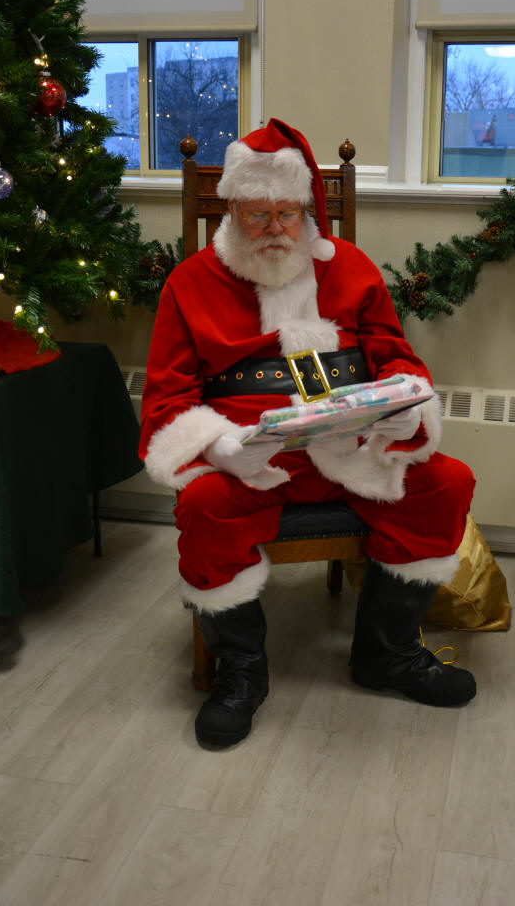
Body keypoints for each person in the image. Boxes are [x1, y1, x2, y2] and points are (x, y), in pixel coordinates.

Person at [139, 118, 477, 749]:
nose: (275, 228)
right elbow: (167, 400)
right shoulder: (191, 282)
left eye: (288, 214)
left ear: (307, 211)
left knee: (447, 483)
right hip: (252, 455)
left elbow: (395, 357)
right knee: (204, 504)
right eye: (257, 214)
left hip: (352, 444)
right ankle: (240, 671)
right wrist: (221, 448)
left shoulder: (349, 268)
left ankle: (387, 654)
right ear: (231, 210)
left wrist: (405, 407)